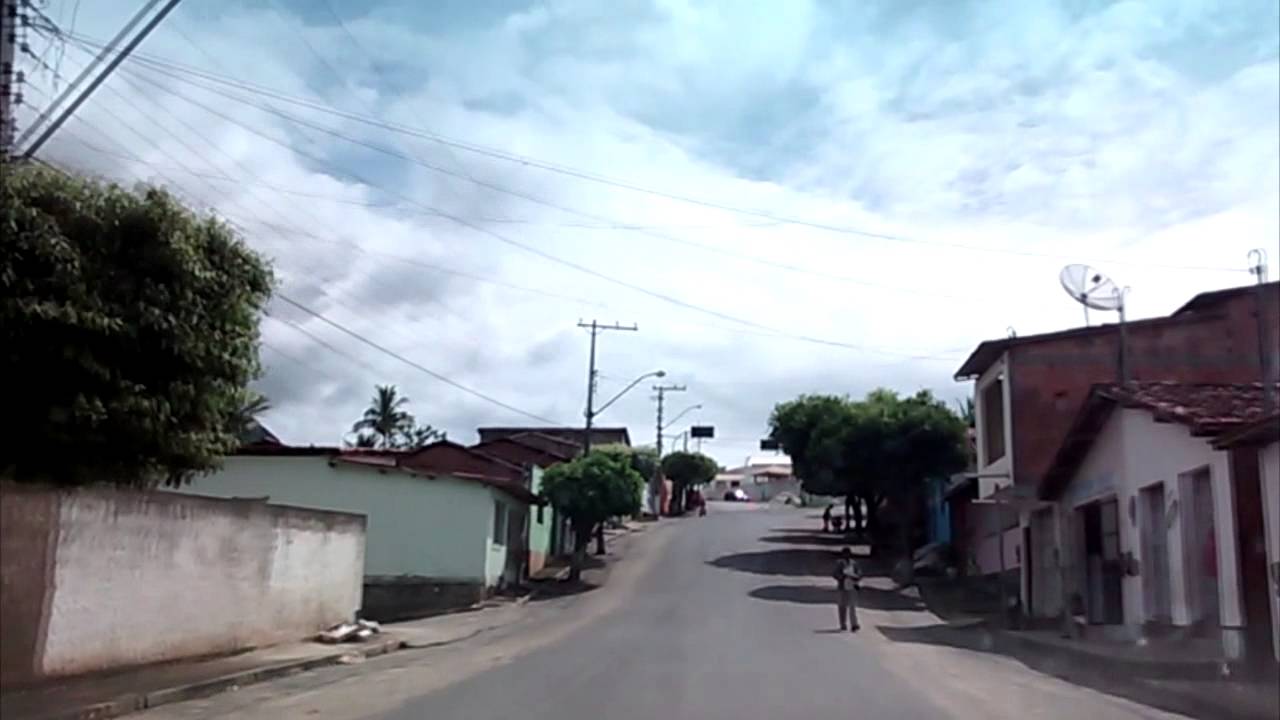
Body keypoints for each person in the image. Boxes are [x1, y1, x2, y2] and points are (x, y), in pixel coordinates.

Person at [833, 547, 862, 632]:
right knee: (842, 606)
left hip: (852, 586)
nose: (847, 555)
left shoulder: (854, 563)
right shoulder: (839, 564)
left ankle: (854, 624)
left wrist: (855, 577)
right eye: (845, 554)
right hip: (842, 587)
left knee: (852, 606)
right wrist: (842, 576)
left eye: (848, 554)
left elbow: (859, 573)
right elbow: (835, 574)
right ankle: (843, 624)